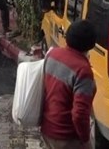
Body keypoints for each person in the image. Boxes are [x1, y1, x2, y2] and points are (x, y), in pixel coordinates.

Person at [41, 20, 97, 149]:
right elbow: (79, 114)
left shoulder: (52, 54)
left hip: (47, 130)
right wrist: (85, 139)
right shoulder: (83, 70)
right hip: (67, 137)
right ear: (91, 44)